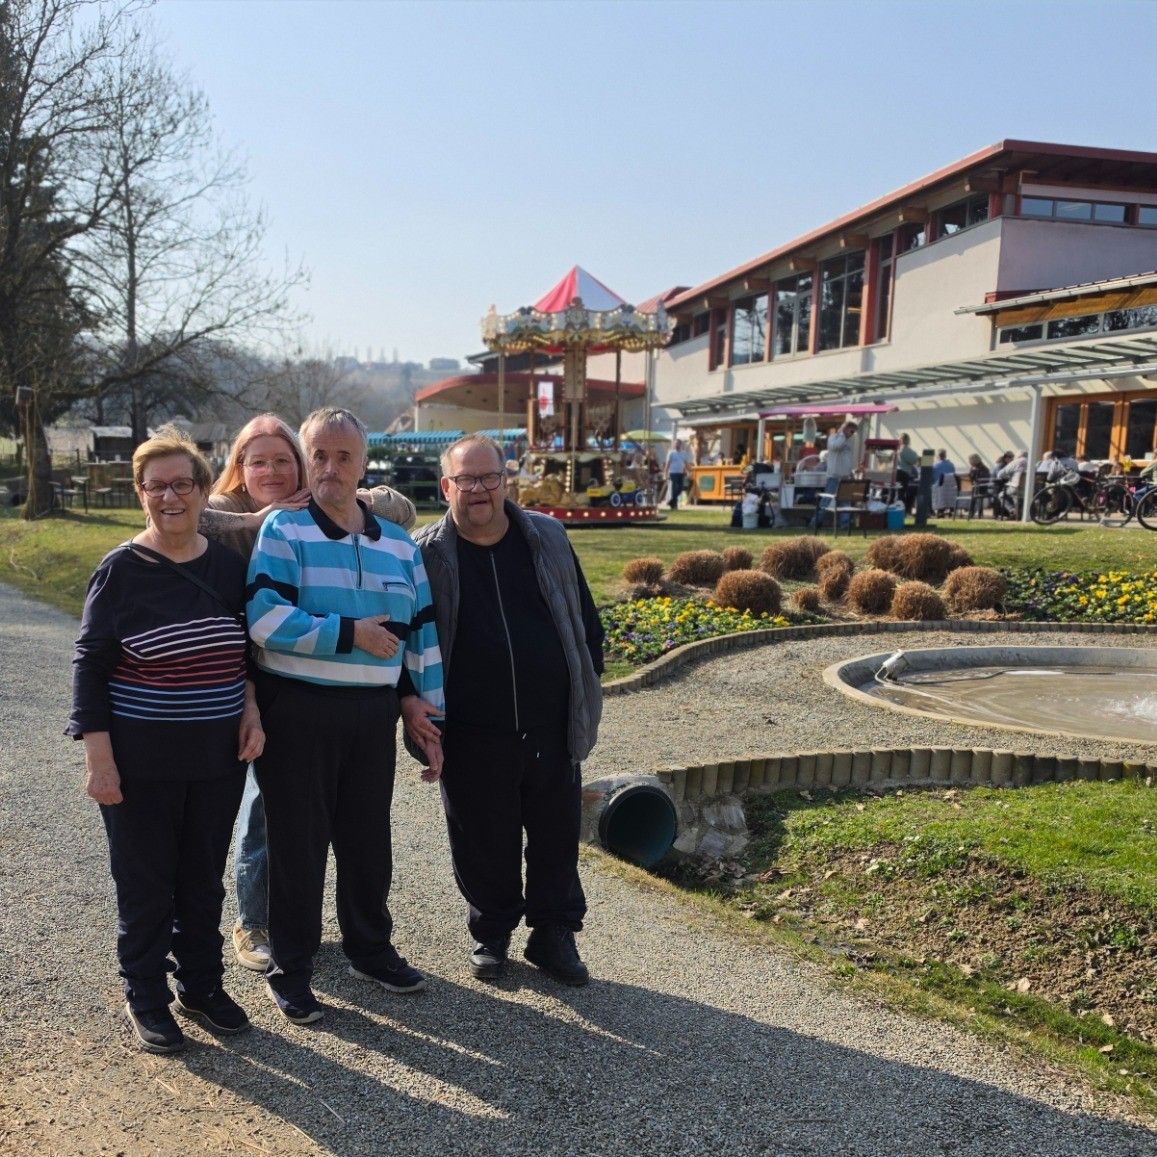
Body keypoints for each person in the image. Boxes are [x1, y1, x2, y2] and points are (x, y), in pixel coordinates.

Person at [68, 427, 263, 1054]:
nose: (170, 497)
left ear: (204, 491)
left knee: (202, 880)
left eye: (183, 484)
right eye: (157, 487)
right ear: (141, 494)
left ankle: (201, 985)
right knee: (146, 883)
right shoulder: (120, 571)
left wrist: (251, 712)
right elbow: (90, 666)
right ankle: (146, 995)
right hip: (141, 760)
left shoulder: (229, 568)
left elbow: (246, 654)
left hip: (216, 758)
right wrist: (99, 760)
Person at [246, 408, 444, 1025]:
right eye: (319, 456)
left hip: (371, 714)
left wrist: (426, 712)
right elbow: (264, 621)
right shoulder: (284, 529)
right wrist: (350, 633)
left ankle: (369, 949)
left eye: (344, 457)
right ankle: (292, 968)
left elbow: (421, 635)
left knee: (367, 841)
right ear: (307, 460)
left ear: (363, 464)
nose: (330, 468)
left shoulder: (400, 545)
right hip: (298, 710)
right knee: (298, 848)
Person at [203, 414, 417, 975]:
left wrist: (349, 489)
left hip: (296, 668)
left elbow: (400, 510)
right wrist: (260, 518)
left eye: (284, 460)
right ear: (240, 467)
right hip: (244, 666)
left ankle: (348, 940)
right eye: (258, 461)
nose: (272, 470)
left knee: (350, 828)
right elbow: (183, 513)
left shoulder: (318, 502)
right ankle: (258, 922)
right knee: (266, 813)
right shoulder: (233, 514)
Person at [401, 434, 604, 987]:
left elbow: (584, 618)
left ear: (505, 480)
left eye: (489, 477)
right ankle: (491, 932)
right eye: (465, 479)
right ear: (446, 487)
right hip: (471, 729)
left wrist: (587, 681)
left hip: (550, 722)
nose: (479, 490)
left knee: (556, 835)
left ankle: (553, 934)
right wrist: (415, 710)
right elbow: (409, 640)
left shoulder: (548, 537)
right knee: (481, 838)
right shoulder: (424, 554)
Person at [814, 419, 857, 528]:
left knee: (845, 502)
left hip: (845, 476)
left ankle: (845, 525)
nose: (852, 434)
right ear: (845, 429)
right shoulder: (833, 438)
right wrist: (842, 435)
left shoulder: (850, 440)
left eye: (854, 432)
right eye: (851, 431)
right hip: (834, 476)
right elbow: (836, 447)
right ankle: (815, 522)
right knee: (827, 500)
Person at [896, 433, 920, 513]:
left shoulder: (899, 449)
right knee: (902, 492)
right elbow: (914, 460)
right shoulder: (906, 450)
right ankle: (903, 510)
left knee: (899, 492)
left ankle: (901, 509)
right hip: (904, 473)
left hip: (898, 472)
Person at [664, 438, 689, 510]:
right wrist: (665, 473)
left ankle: (671, 501)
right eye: (675, 443)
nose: (676, 445)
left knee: (680, 488)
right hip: (673, 473)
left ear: (680, 444)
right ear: (673, 444)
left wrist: (688, 472)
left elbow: (685, 463)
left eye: (678, 443)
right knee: (674, 489)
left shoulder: (683, 453)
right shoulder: (671, 453)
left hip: (680, 473)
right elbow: (667, 464)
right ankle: (674, 505)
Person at [931, 449, 958, 515]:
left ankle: (932, 510)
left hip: (939, 488)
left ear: (937, 456)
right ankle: (951, 508)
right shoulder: (951, 465)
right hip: (950, 489)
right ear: (945, 456)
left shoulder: (935, 466)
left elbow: (932, 479)